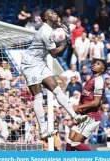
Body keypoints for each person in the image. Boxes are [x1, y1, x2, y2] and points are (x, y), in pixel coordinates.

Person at [20, 9, 88, 140]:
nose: (55, 14)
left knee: (57, 89)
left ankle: (75, 116)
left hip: (40, 62)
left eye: (55, 13)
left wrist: (64, 32)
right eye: (51, 13)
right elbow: (55, 54)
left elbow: (60, 48)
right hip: (30, 64)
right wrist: (65, 42)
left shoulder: (52, 28)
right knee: (38, 96)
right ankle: (43, 130)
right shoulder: (45, 31)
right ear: (45, 17)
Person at [66, 59, 107, 151]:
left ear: (102, 69)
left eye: (98, 64)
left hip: (91, 116)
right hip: (84, 114)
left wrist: (78, 107)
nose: (94, 65)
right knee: (69, 140)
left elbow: (96, 102)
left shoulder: (99, 81)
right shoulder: (92, 79)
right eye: (94, 63)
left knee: (75, 143)